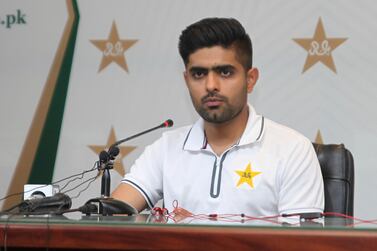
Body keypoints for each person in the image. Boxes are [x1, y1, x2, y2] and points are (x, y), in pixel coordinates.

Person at [112, 17, 324, 217]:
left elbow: (301, 242)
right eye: (198, 74)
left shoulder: (292, 150)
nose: (210, 85)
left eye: (225, 72)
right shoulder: (166, 148)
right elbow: (114, 214)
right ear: (186, 80)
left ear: (250, 80)